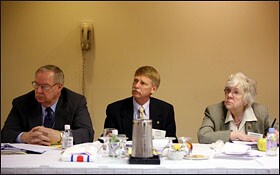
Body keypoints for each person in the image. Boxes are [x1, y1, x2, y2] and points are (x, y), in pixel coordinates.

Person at [1, 64, 94, 146]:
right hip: (31, 157)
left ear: (59, 87)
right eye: (36, 85)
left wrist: (61, 136)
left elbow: (87, 133)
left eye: (45, 87)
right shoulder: (22, 103)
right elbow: (5, 134)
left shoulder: (75, 101)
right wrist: (24, 137)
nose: (38, 91)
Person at [197, 72, 279, 144]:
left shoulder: (260, 112)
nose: (229, 95)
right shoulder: (214, 111)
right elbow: (203, 136)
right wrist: (234, 135)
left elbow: (276, 130)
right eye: (228, 90)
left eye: (236, 92)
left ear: (246, 98)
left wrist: (276, 135)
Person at [103, 65, 177, 142]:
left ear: (153, 89)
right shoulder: (115, 109)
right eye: (135, 81)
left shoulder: (165, 110)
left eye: (143, 83)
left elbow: (172, 142)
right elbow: (107, 139)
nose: (136, 85)